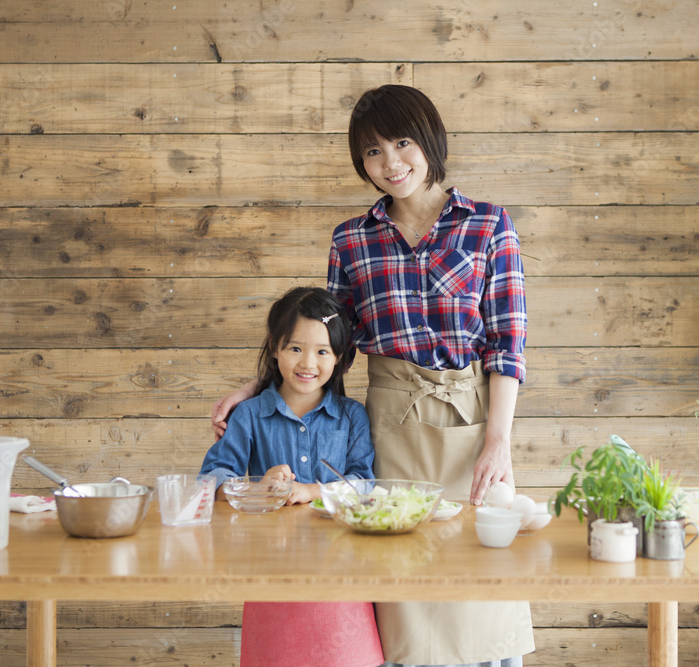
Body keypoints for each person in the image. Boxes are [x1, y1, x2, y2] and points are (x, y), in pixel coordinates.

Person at [212, 85, 534, 666]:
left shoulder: (488, 225)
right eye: (373, 152)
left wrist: (499, 443)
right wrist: (257, 387)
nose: (391, 164)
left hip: (473, 427)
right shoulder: (351, 239)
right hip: (390, 429)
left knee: (479, 590)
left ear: (429, 139)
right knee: (401, 597)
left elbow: (507, 343)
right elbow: (328, 344)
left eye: (403, 143)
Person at [201, 286, 384, 667]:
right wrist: (255, 487)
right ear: (275, 347)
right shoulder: (249, 415)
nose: (308, 363)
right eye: (295, 348)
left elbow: (364, 485)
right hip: (271, 575)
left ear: (341, 358)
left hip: (341, 578)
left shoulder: (352, 417)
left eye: (322, 351)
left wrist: (312, 490)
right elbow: (212, 477)